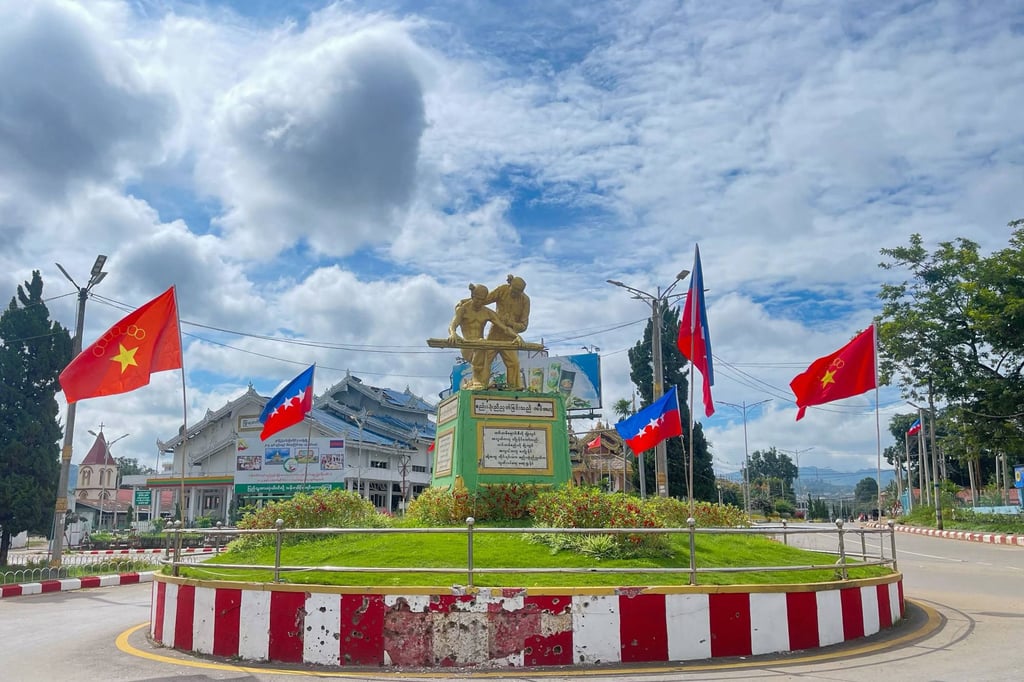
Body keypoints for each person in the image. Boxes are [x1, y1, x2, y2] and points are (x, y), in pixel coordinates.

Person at [448, 284, 518, 389]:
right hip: (467, 346)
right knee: (481, 347)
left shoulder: (487, 312)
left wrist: (516, 336)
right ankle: (476, 381)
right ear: (472, 296)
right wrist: (453, 334)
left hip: (481, 345)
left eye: (482, 300)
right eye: (477, 299)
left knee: (485, 357)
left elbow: (503, 328)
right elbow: (452, 326)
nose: (479, 302)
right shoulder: (463, 309)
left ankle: (481, 383)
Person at [483, 275, 531, 389]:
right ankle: (481, 384)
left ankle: (513, 387)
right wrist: (470, 299)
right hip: (495, 333)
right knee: (485, 360)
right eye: (513, 290)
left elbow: (524, 326)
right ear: (510, 285)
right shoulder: (502, 290)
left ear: (522, 292)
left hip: (510, 337)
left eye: (518, 292)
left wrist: (511, 323)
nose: (514, 294)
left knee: (514, 364)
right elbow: (484, 300)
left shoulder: (525, 300)